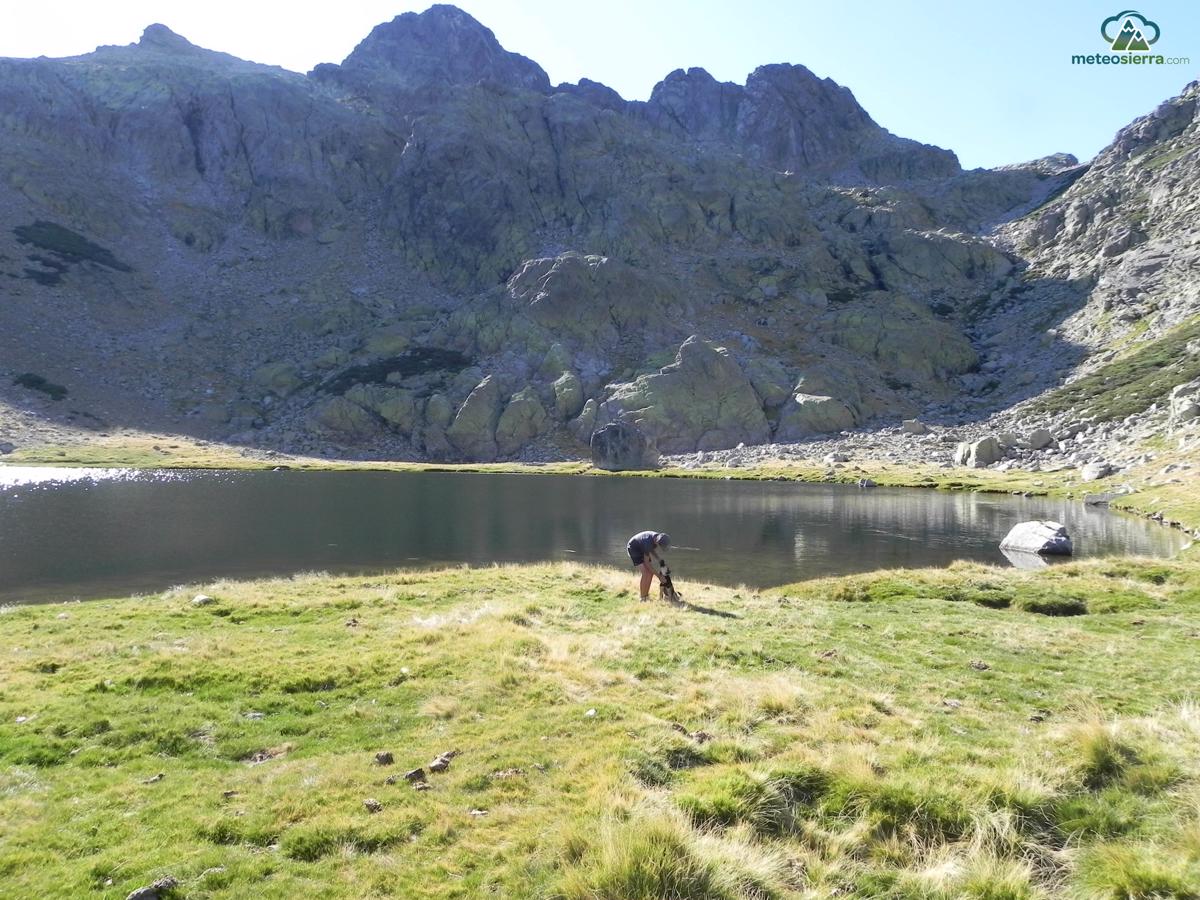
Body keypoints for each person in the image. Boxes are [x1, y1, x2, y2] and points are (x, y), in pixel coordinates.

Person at [626, 530, 670, 602]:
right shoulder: (648, 542)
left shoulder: (657, 538)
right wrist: (659, 576)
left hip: (642, 547)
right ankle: (643, 598)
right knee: (645, 573)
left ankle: (646, 595)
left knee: (650, 573)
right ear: (657, 542)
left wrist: (658, 558)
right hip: (633, 548)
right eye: (660, 545)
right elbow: (647, 563)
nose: (660, 547)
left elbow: (651, 549)